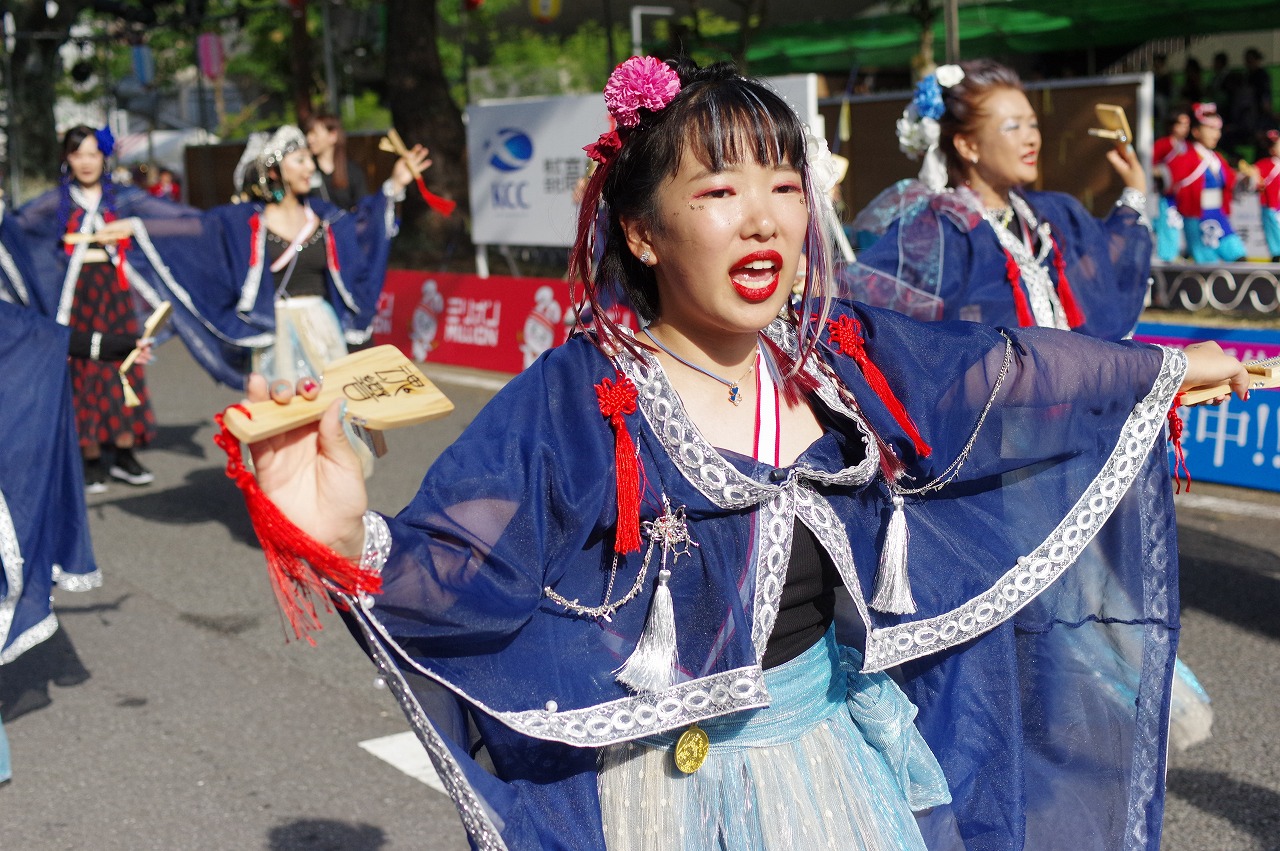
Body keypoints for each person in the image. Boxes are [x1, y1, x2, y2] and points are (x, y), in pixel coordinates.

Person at [228, 57, 1251, 850]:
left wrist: (1161, 368)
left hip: (838, 763)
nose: (764, 216)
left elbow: (996, 370)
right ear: (641, 232)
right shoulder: (586, 395)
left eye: (784, 184)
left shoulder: (834, 354)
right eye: (718, 190)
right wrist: (341, 536)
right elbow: (465, 570)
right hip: (669, 798)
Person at [847, 60, 1151, 342]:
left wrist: (1135, 190)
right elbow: (873, 302)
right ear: (968, 145)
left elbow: (1103, 262)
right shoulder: (941, 229)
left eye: (1032, 124)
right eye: (1013, 126)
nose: (1031, 138)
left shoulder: (1053, 213)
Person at [8, 125, 205, 491]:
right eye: (77, 154)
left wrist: (134, 226)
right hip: (76, 298)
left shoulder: (123, 199)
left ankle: (125, 452)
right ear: (67, 159)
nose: (86, 162)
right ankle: (90, 456)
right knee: (82, 370)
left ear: (104, 157)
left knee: (124, 363)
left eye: (93, 154)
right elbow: (15, 229)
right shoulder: (56, 202)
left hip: (115, 293)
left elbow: (185, 222)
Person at [1166, 102, 1247, 265]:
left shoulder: (1216, 158)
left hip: (1217, 214)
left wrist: (1246, 177)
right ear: (1196, 131)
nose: (1216, 133)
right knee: (1207, 265)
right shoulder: (1186, 156)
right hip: (1197, 217)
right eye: (1210, 128)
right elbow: (1169, 180)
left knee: (1238, 256)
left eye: (1217, 129)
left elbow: (1230, 182)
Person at [302, 114, 369, 211]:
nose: (309, 139)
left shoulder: (353, 171)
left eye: (314, 134)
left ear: (333, 135)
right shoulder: (307, 171)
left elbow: (364, 206)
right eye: (308, 134)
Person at [1153, 107, 1192, 262]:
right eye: (1181, 124)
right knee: (1168, 224)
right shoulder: (1163, 144)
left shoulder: (1189, 146)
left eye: (1187, 124)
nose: (1185, 128)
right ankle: (1168, 256)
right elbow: (1150, 165)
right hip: (1168, 196)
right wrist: (1161, 174)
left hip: (1186, 196)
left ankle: (1186, 253)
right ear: (1172, 125)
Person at [1253, 129, 1280, 262]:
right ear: (1272, 149)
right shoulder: (1265, 164)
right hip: (1271, 207)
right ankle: (1276, 256)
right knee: (1274, 233)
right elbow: (1254, 174)